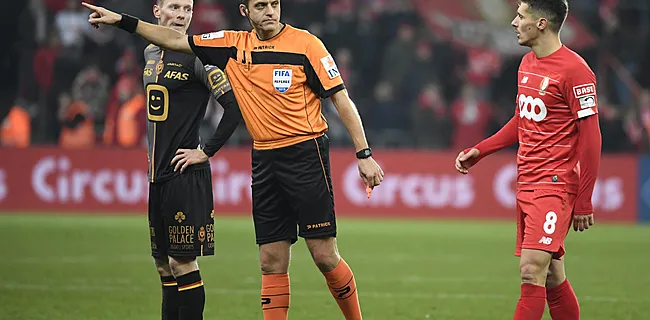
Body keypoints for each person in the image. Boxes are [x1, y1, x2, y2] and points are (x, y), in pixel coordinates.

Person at [82, 1, 384, 319]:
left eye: (275, 4)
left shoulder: (307, 44)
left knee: (323, 255)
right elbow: (172, 40)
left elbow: (341, 98)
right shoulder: (231, 44)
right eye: (261, 5)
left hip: (305, 155)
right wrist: (122, 21)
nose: (270, 11)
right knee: (270, 260)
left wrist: (364, 154)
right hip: (264, 159)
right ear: (245, 11)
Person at [454, 1, 601, 319]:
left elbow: (591, 138)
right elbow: (523, 118)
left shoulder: (576, 71)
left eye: (520, 17)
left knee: (530, 270)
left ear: (542, 23)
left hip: (555, 184)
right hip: (527, 182)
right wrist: (482, 149)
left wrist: (584, 200)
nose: (513, 23)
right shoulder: (526, 63)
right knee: (552, 275)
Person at [138, 0, 242, 319]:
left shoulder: (198, 57)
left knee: (181, 263)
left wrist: (206, 151)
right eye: (174, 8)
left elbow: (234, 108)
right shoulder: (149, 53)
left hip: (184, 173)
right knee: (163, 265)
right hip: (157, 174)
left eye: (187, 9)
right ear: (157, 11)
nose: (181, 15)